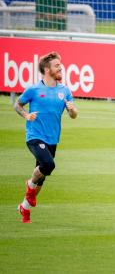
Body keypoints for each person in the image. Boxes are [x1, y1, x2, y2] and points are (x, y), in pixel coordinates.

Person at [14, 51, 78, 223]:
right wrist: (26, 115)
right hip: (35, 136)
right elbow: (17, 104)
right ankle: (29, 186)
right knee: (48, 164)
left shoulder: (64, 91)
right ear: (47, 69)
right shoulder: (34, 90)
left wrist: (72, 109)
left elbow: (74, 115)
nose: (61, 68)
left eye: (60, 65)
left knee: (42, 175)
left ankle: (25, 208)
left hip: (52, 139)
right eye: (57, 65)